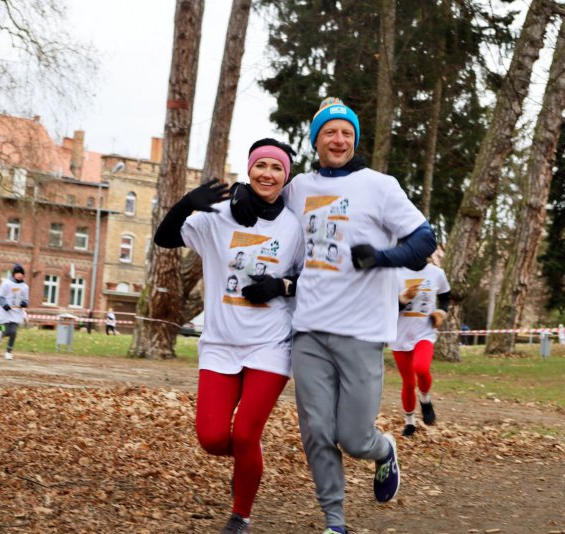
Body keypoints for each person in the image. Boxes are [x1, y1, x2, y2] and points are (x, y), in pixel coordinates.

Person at [230, 97, 437, 534]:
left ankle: (383, 451)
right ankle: (335, 521)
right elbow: (264, 197)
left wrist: (381, 257)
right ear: (316, 140)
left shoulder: (380, 186)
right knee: (317, 432)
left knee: (354, 437)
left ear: (355, 139)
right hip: (307, 331)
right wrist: (239, 192)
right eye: (329, 132)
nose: (338, 139)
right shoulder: (300, 186)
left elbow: (423, 242)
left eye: (346, 132)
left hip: (362, 333)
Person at [154, 138, 304, 534]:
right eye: (261, 166)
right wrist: (188, 201)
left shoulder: (293, 225)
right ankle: (246, 459)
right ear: (249, 169)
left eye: (276, 168)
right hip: (220, 345)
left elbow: (314, 280)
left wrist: (281, 286)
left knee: (246, 433)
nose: (267, 174)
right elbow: (164, 238)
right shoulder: (220, 215)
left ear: (285, 176)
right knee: (213, 438)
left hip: (270, 345)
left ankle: (241, 516)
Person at [388, 258, 450, 437]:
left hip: (425, 332)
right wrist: (402, 298)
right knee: (408, 382)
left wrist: (441, 312)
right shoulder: (396, 272)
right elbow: (387, 306)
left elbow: (445, 296)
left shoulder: (437, 273)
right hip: (400, 335)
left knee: (421, 368)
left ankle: (425, 400)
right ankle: (409, 423)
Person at [0, 263, 29, 360]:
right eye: (17, 273)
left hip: (16, 312)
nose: (19, 275)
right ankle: (2, 333)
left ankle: (8, 352)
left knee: (13, 331)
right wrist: (4, 304)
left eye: (21, 273)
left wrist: (24, 303)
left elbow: (26, 299)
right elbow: (0, 296)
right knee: (4, 328)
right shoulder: (6, 283)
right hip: (5, 310)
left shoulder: (25, 286)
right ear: (14, 274)